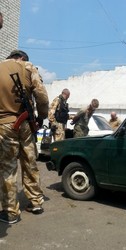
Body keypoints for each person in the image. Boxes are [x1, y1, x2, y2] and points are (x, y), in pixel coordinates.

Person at [0, 50, 49, 224]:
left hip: (4, 125)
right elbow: (42, 97)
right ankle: (36, 201)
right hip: (26, 124)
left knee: (8, 168)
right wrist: (42, 116)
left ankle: (10, 211)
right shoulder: (28, 67)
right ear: (21, 58)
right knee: (30, 161)